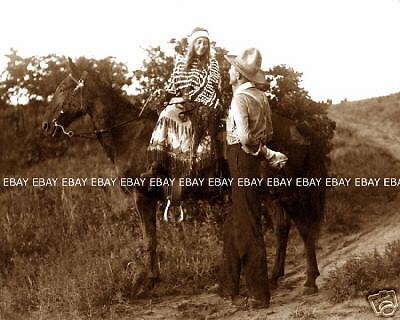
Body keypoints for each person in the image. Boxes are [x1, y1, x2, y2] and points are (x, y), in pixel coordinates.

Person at [219, 48, 286, 309]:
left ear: (237, 73)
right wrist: (265, 152)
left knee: (247, 226)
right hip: (250, 162)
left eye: (230, 68)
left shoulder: (240, 99)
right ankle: (228, 285)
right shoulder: (260, 96)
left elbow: (247, 139)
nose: (228, 71)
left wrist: (267, 154)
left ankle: (259, 294)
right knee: (234, 222)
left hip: (241, 156)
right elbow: (267, 131)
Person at [143, 27, 221, 178]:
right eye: (198, 42)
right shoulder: (181, 63)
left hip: (203, 103)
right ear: (192, 44)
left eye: (205, 43)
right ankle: (160, 163)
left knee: (170, 114)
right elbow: (173, 85)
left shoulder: (212, 63)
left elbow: (210, 85)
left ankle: (187, 166)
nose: (202, 46)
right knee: (165, 112)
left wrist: (187, 99)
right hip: (182, 103)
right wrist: (163, 94)